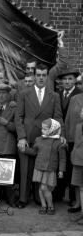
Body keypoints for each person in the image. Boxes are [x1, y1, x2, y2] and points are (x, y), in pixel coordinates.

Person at [15, 63, 65, 209]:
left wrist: (61, 134)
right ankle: (23, 198)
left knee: (42, 167)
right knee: (25, 168)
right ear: (34, 76)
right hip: (27, 137)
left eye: (44, 75)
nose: (41, 78)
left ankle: (39, 197)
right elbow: (18, 117)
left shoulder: (53, 95)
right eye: (38, 75)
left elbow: (58, 117)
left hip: (46, 140)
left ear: (47, 76)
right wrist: (22, 137)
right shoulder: (24, 93)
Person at [22, 119, 66, 215]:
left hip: (49, 168)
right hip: (39, 167)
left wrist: (61, 170)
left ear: (53, 129)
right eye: (42, 129)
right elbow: (34, 152)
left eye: (45, 129)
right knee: (40, 188)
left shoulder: (58, 142)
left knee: (44, 188)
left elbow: (62, 158)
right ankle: (43, 206)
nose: (42, 131)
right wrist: (24, 149)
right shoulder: (39, 139)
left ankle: (50, 206)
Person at [53, 68, 82, 203]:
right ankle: (58, 194)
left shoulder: (79, 95)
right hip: (58, 134)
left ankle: (73, 197)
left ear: (75, 80)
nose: (67, 81)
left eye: (70, 78)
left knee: (71, 167)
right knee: (58, 164)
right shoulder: (57, 94)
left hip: (72, 136)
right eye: (64, 79)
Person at [65, 92, 83, 211]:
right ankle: (78, 202)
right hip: (75, 146)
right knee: (77, 180)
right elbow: (68, 120)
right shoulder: (75, 98)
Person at [70, 107, 83, 224]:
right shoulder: (78, 126)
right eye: (82, 111)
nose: (81, 113)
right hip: (77, 159)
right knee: (79, 186)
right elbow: (76, 143)